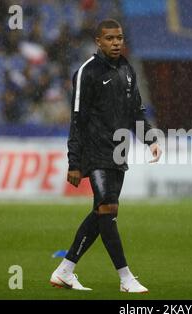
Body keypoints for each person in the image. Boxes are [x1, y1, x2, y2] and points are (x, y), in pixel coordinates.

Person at [50, 19, 162, 292]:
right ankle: (126, 278)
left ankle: (65, 270)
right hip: (94, 152)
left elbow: (137, 111)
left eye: (119, 38)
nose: (115, 43)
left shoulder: (127, 70)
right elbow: (76, 120)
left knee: (102, 215)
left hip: (118, 152)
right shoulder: (86, 72)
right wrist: (74, 162)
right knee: (107, 211)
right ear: (98, 42)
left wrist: (150, 139)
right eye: (110, 38)